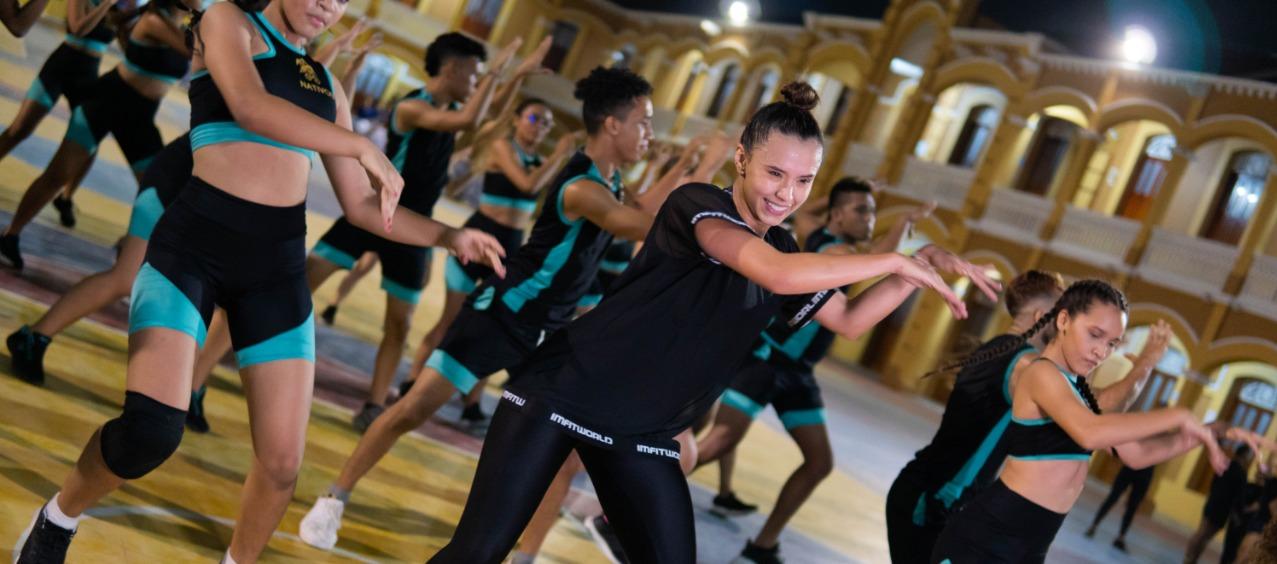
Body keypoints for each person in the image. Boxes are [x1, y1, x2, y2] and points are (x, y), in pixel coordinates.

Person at [424, 81, 997, 563]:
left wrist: (914, 270)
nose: (787, 193)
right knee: (476, 555)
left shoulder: (787, 246)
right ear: (742, 158)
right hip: (561, 395)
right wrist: (892, 258)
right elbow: (771, 272)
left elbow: (847, 317)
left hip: (642, 434)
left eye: (803, 181)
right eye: (776, 173)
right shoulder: (698, 205)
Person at [11, 0, 504, 559]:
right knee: (151, 431)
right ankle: (57, 519)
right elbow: (249, 106)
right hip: (191, 254)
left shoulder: (327, 87)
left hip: (275, 273)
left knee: (282, 465)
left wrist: (449, 237)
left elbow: (364, 208)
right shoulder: (229, 21)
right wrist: (360, 143)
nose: (329, 6)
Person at [297, 65, 699, 552]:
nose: (649, 135)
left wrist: (690, 168)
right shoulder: (581, 184)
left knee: (558, 441)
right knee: (413, 409)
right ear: (612, 124)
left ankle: (525, 554)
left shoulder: (610, 182)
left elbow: (645, 208)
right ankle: (334, 497)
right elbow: (635, 223)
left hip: (551, 333)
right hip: (504, 313)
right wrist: (703, 193)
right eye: (644, 122)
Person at [692, 177, 939, 563]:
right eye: (862, 210)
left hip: (798, 373)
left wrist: (889, 221)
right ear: (838, 216)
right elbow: (873, 261)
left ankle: (764, 545)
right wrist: (901, 224)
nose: (869, 216)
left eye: (872, 210)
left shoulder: (821, 233)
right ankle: (621, 509)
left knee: (819, 462)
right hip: (768, 358)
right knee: (718, 441)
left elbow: (825, 225)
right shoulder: (834, 249)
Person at [304, 31, 539, 431]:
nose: (476, 81)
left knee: (400, 323)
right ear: (451, 68)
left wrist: (513, 76)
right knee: (300, 285)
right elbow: (471, 118)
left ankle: (374, 404)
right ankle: (244, 343)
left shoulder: (449, 106)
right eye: (473, 73)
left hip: (415, 228)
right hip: (372, 212)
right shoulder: (412, 106)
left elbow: (486, 110)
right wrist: (498, 75)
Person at [930, 280, 1229, 563]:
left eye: (1113, 343)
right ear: (1063, 321)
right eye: (1095, 334)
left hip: (1031, 547)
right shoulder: (1041, 373)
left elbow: (1137, 455)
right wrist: (1178, 415)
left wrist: (1194, 438)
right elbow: (1089, 433)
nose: (1102, 352)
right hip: (985, 540)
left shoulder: (1080, 393)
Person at [0, 0, 194, 269]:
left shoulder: (179, 25)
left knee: (160, 190)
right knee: (57, 174)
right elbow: (195, 51)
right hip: (105, 103)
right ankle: (11, 234)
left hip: (139, 119)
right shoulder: (154, 20)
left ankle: (129, 245)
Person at [6, 134, 191, 386]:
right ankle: (34, 336)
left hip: (198, 192)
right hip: (178, 184)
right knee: (126, 278)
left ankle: (192, 385)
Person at [0, 0, 120, 228]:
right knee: (20, 129)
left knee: (89, 144)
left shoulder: (122, 6)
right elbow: (78, 28)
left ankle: (66, 197)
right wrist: (107, 4)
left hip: (88, 72)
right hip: (61, 66)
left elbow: (128, 39)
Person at [1184, 444, 1253, 563]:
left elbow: (1214, 482)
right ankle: (1191, 559)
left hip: (1212, 502)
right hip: (1223, 509)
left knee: (1201, 532)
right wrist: (1240, 512)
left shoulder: (1224, 464)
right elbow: (1238, 496)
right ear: (1245, 456)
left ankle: (1189, 558)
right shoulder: (1241, 473)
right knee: (1205, 536)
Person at [1085, 463, 1156, 552]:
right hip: (1132, 464)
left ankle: (1120, 538)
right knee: (1112, 497)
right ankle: (1093, 526)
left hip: (1146, 471)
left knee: (1132, 507)